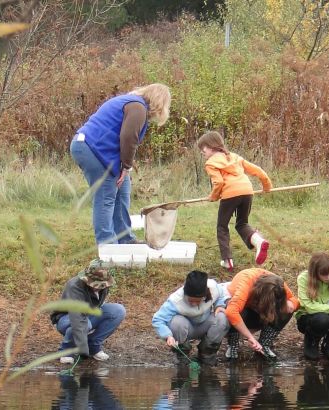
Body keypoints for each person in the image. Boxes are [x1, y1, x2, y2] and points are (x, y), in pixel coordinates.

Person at [70, 83, 171, 245]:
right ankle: (107, 245)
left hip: (100, 150)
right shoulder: (138, 108)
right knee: (106, 195)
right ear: (160, 102)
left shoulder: (133, 104)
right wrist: (126, 166)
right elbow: (128, 138)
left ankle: (125, 239)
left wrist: (125, 167)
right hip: (91, 149)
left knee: (123, 191)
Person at [197, 130, 272, 271]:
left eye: (204, 149)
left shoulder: (210, 163)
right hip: (247, 191)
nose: (202, 152)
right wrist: (267, 186)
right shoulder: (235, 157)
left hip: (230, 194)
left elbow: (218, 182)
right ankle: (258, 241)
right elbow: (258, 171)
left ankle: (227, 260)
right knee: (242, 223)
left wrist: (214, 196)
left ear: (212, 146)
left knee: (222, 227)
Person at [50, 259, 126, 364]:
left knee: (118, 311)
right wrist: (83, 350)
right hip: (66, 317)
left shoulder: (104, 285)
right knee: (86, 324)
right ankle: (66, 351)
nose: (99, 288)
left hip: (88, 314)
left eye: (101, 285)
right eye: (96, 285)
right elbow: (78, 318)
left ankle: (93, 345)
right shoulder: (74, 287)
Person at [152, 270, 230, 365]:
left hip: (206, 325)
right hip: (186, 328)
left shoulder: (213, 287)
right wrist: (168, 336)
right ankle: (182, 355)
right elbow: (158, 319)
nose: (194, 304)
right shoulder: (175, 300)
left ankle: (207, 354)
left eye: (197, 301)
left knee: (223, 317)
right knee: (176, 322)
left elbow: (221, 295)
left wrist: (219, 305)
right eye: (190, 300)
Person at [224, 268, 299, 360]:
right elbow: (231, 312)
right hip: (245, 313)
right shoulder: (246, 283)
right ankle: (233, 345)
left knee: (286, 309)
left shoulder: (279, 285)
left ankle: (264, 344)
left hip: (261, 313)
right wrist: (250, 337)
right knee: (237, 309)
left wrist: (292, 305)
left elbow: (294, 300)